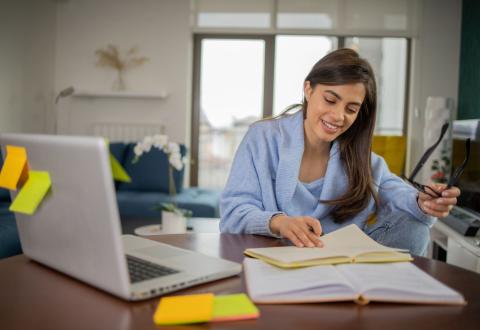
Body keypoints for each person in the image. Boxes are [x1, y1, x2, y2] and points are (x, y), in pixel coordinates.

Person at [219, 48, 460, 256]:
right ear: (308, 89)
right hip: (273, 259)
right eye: (330, 100)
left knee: (414, 226)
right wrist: (278, 222)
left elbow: (395, 190)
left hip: (341, 263)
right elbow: (233, 212)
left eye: (351, 109)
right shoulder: (263, 137)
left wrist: (423, 201)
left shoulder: (361, 158)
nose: (338, 116)